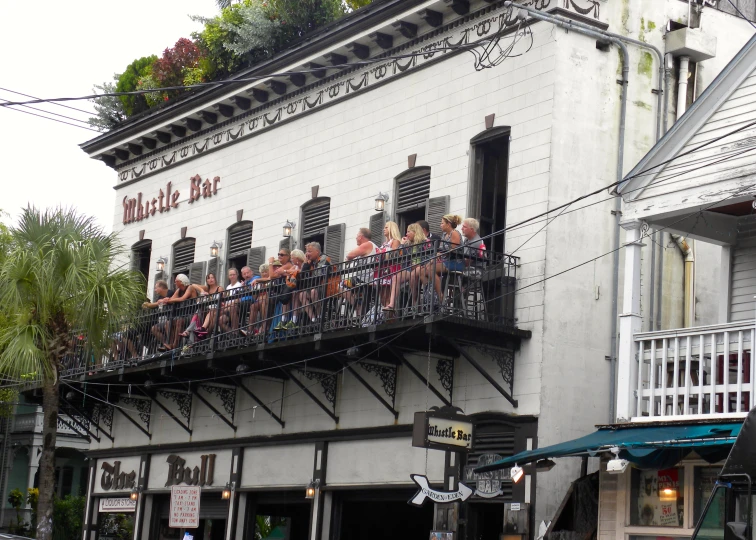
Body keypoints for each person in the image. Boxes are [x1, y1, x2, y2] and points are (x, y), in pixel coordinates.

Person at [385, 223, 428, 311]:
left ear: (415, 232)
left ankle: (415, 301)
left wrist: (419, 265)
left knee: (413, 275)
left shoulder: (425, 242)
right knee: (395, 278)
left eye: (408, 232)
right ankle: (391, 304)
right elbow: (397, 257)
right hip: (410, 268)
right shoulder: (407, 244)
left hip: (423, 266)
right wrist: (401, 245)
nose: (406, 234)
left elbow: (430, 257)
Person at [423, 214, 463, 304]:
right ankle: (430, 296)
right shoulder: (444, 234)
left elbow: (454, 250)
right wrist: (433, 259)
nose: (440, 225)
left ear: (448, 224)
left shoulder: (455, 233)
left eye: (442, 223)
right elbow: (441, 250)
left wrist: (440, 254)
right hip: (445, 261)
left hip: (455, 262)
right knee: (425, 269)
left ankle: (440, 296)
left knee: (431, 270)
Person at [156, 274, 199, 350]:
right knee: (168, 323)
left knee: (179, 321)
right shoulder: (178, 290)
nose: (175, 283)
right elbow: (171, 299)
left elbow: (182, 298)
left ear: (181, 281)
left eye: (176, 281)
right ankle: (170, 344)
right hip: (183, 314)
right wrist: (164, 300)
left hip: (192, 315)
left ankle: (175, 345)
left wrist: (168, 300)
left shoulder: (190, 288)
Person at [343, 228, 377, 317]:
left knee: (341, 285)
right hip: (369, 278)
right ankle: (359, 308)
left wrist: (349, 258)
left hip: (363, 279)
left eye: (357, 236)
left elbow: (350, 255)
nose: (356, 238)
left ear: (361, 237)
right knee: (363, 301)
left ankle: (356, 305)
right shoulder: (371, 246)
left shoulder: (367, 244)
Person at [181, 273, 224, 339]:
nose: (211, 279)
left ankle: (201, 331)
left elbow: (222, 300)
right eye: (208, 278)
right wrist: (202, 290)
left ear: (215, 279)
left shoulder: (219, 288)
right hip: (208, 310)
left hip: (218, 309)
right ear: (206, 281)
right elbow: (192, 285)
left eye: (212, 277)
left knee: (210, 313)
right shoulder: (207, 288)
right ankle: (189, 331)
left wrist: (209, 297)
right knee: (198, 311)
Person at [300, 242, 332, 324]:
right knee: (302, 295)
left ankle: (320, 316)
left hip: (326, 286)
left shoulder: (324, 258)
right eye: (306, 251)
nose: (307, 254)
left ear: (317, 252)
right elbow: (301, 277)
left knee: (313, 292)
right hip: (315, 287)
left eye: (310, 251)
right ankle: (313, 319)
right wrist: (306, 264)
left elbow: (319, 275)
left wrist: (308, 280)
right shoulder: (310, 262)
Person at [145, 280, 175, 353]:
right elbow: (155, 304)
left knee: (167, 324)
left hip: (175, 317)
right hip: (168, 319)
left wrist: (151, 304)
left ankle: (171, 344)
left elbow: (163, 302)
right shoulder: (160, 297)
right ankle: (165, 343)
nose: (155, 290)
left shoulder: (170, 293)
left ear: (161, 287)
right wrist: (148, 305)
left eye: (156, 288)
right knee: (154, 328)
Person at [377, 221, 402, 306]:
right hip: (383, 270)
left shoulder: (395, 241)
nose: (384, 229)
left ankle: (390, 317)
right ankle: (386, 315)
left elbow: (393, 254)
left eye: (386, 227)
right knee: (383, 297)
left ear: (392, 229)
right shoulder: (384, 243)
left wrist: (381, 253)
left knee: (388, 295)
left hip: (391, 269)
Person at [220, 268, 244, 335]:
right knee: (220, 320)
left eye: (234, 274)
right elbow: (226, 299)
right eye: (231, 275)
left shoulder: (240, 285)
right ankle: (232, 333)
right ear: (228, 276)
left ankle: (235, 330)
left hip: (237, 306)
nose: (232, 276)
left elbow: (239, 299)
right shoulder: (228, 287)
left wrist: (228, 305)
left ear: (237, 275)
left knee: (232, 308)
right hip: (227, 308)